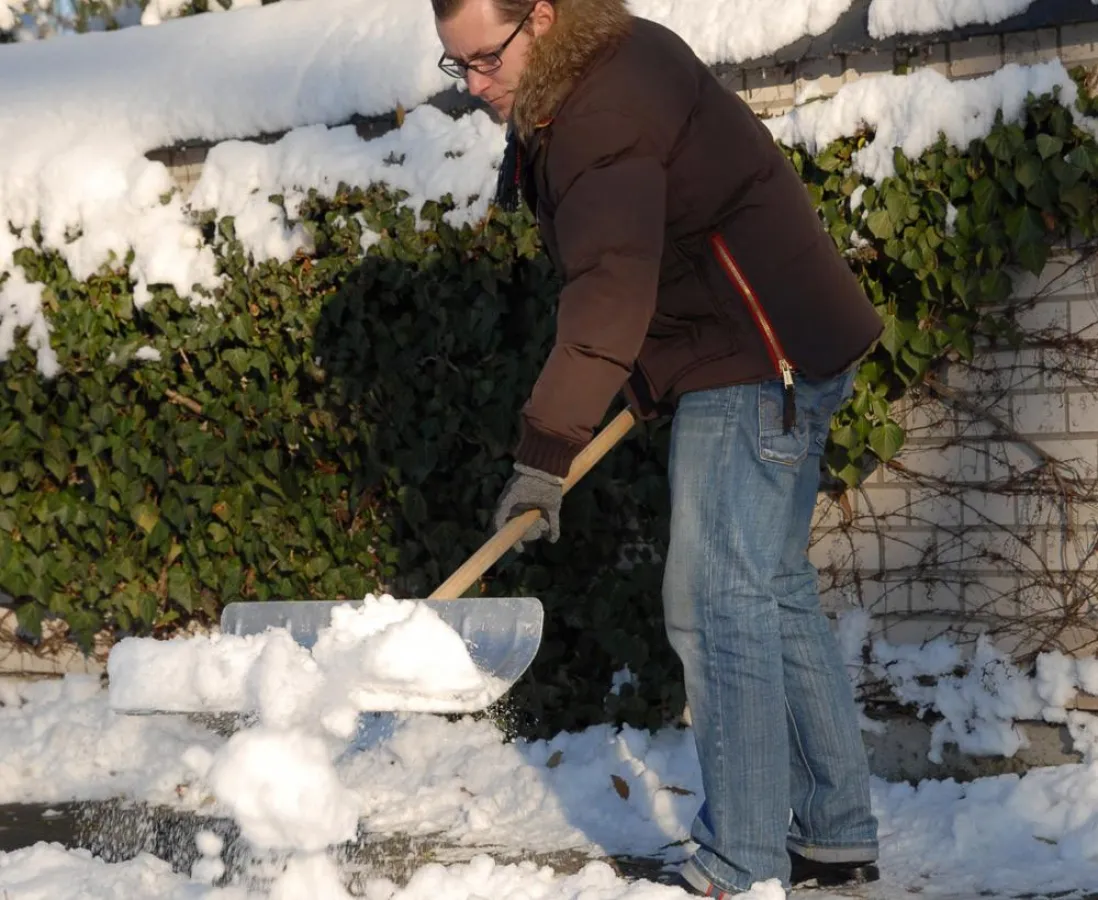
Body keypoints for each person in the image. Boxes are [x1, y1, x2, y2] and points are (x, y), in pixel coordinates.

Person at [432, 0, 884, 894]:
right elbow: (652, 249)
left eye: (488, 59)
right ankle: (833, 831)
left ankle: (742, 860)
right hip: (764, 344)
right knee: (771, 591)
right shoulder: (594, 71)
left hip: (754, 358)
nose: (478, 85)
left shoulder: (601, 101)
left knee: (716, 601)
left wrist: (545, 451)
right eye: (461, 68)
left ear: (545, 18)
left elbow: (609, 285)